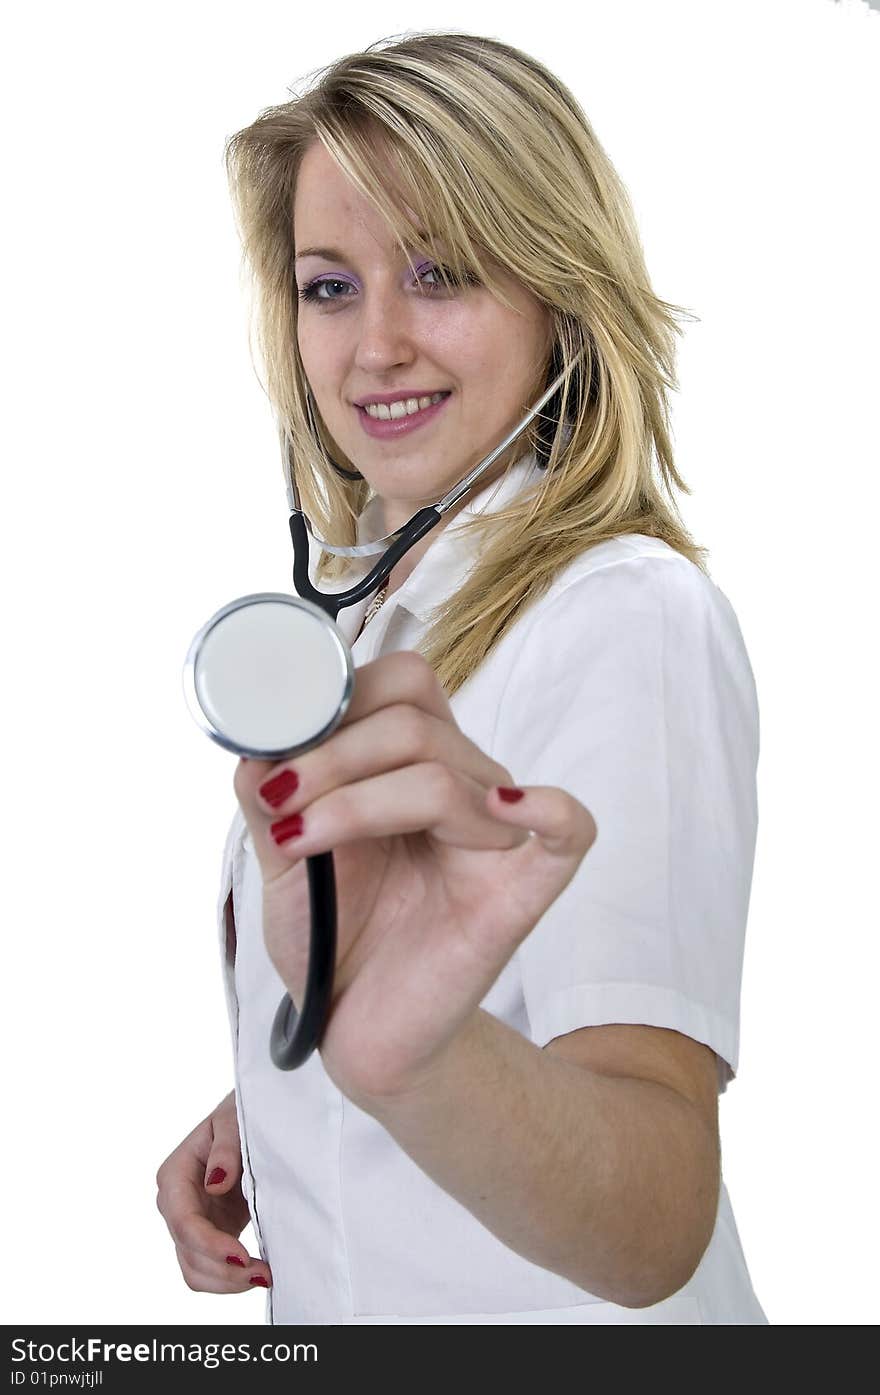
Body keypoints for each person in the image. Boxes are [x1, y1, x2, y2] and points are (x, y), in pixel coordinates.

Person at [156, 31, 767, 1325]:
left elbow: (656, 1208)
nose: (374, 343)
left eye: (440, 273)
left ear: (561, 292)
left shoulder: (622, 617)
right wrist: (276, 1099)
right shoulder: (392, 608)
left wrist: (404, 1065)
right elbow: (459, 1000)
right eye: (330, 286)